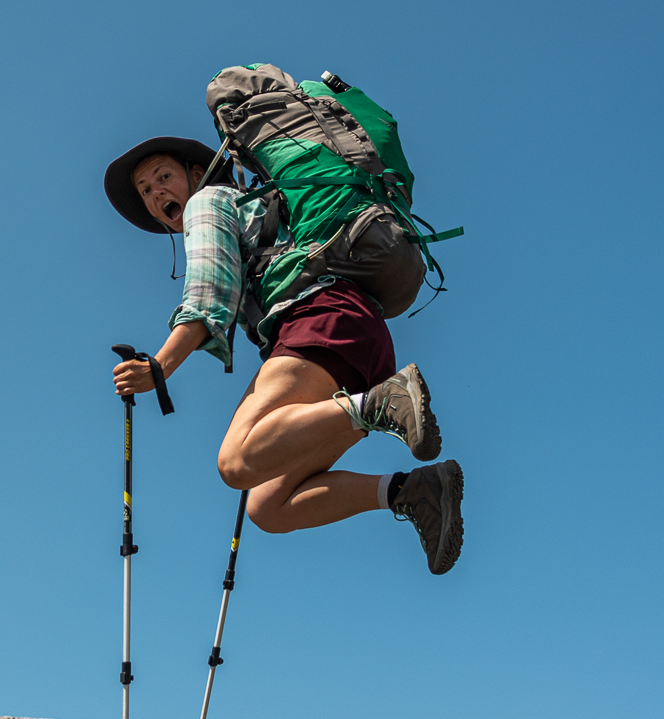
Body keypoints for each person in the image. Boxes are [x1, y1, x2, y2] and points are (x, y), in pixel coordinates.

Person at [101, 136, 464, 572]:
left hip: (321, 318)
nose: (156, 193)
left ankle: (382, 403)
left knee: (236, 461)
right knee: (268, 507)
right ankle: (413, 489)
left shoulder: (208, 202)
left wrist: (159, 367)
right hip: (355, 334)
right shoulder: (255, 213)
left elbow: (206, 297)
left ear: (196, 176)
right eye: (145, 191)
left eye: (163, 177)